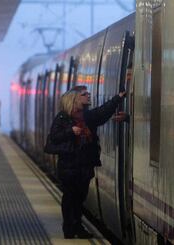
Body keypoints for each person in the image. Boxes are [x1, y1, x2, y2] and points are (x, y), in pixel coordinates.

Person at [47, 85, 126, 239]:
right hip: (68, 166)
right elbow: (54, 137)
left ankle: (76, 226)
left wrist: (118, 98)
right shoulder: (63, 118)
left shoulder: (88, 117)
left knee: (80, 197)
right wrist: (71, 131)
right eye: (84, 94)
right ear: (75, 98)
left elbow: (103, 112)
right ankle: (69, 227)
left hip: (84, 166)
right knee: (70, 197)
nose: (88, 96)